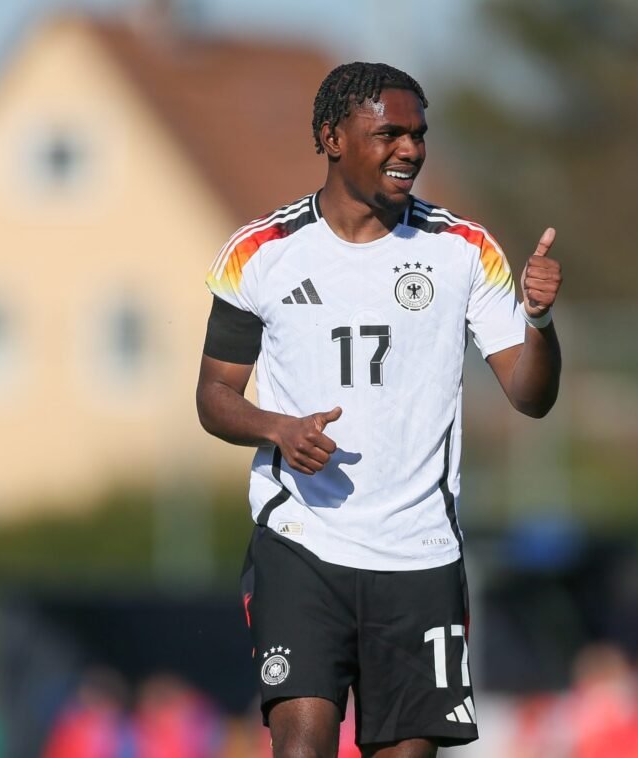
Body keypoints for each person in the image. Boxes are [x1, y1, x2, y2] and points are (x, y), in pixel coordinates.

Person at [195, 61, 563, 758]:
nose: (410, 150)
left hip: (420, 555)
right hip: (302, 543)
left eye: (418, 135)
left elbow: (530, 395)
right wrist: (279, 429)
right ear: (333, 138)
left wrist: (539, 321)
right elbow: (214, 395)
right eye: (389, 133)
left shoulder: (462, 250)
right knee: (300, 747)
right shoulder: (260, 253)